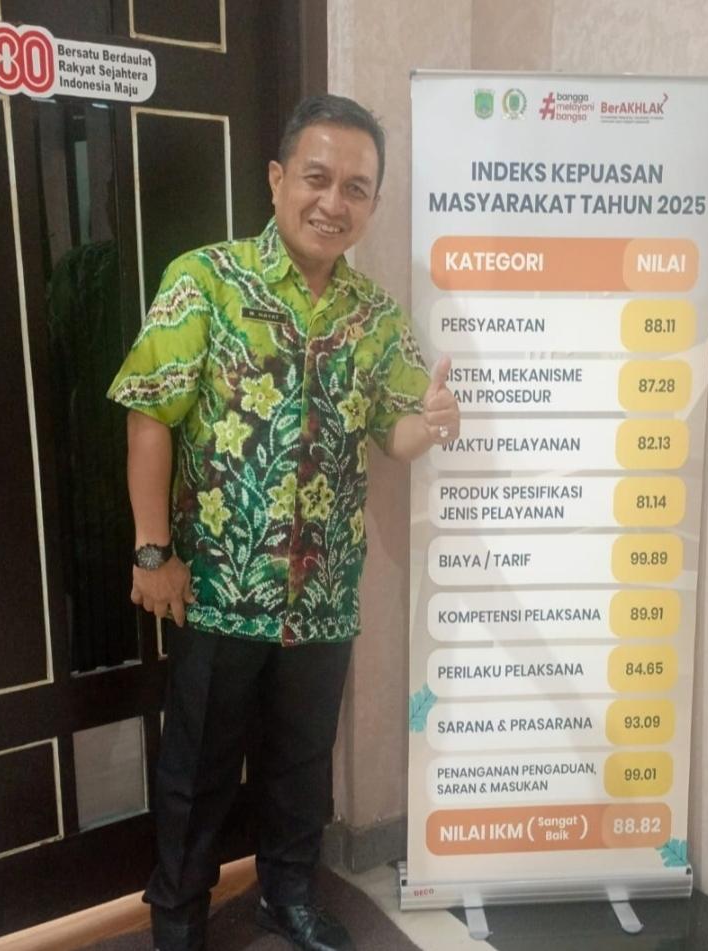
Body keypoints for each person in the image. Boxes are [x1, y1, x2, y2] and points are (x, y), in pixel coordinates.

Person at [107, 94, 460, 951]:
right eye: (317, 177)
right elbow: (151, 414)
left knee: (302, 763)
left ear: (373, 202)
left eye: (356, 188)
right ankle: (179, 918)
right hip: (219, 587)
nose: (333, 202)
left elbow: (394, 433)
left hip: (324, 593)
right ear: (277, 179)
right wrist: (153, 550)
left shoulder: (374, 316)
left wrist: (432, 422)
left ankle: (287, 896)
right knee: (196, 768)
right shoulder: (205, 281)